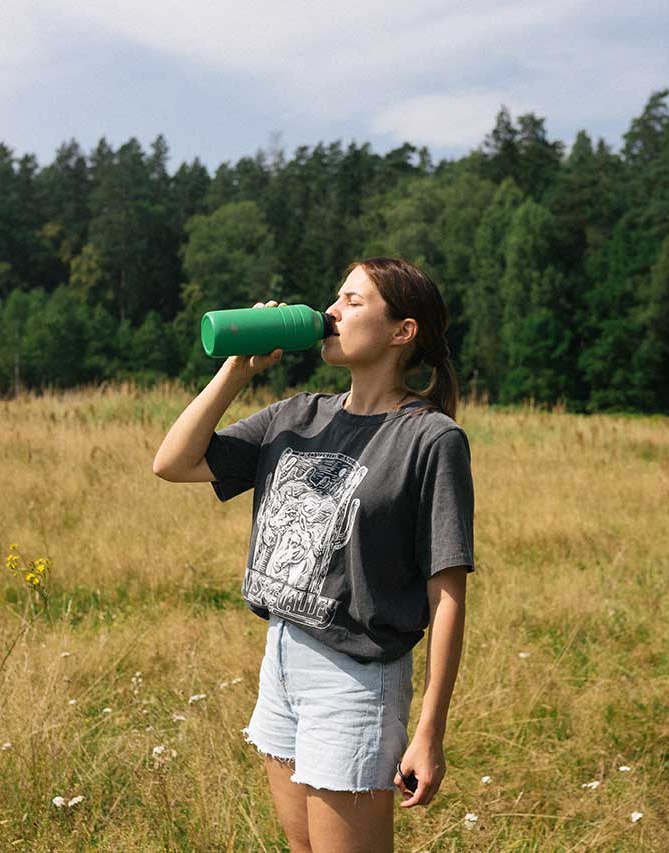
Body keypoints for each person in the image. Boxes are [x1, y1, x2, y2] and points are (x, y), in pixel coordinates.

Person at [153, 257, 476, 852]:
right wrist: (236, 370)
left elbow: (448, 592)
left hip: (354, 678)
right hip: (282, 658)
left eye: (353, 302)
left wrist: (430, 728)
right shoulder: (296, 416)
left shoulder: (430, 439)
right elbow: (172, 463)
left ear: (402, 331)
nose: (331, 312)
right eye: (335, 298)